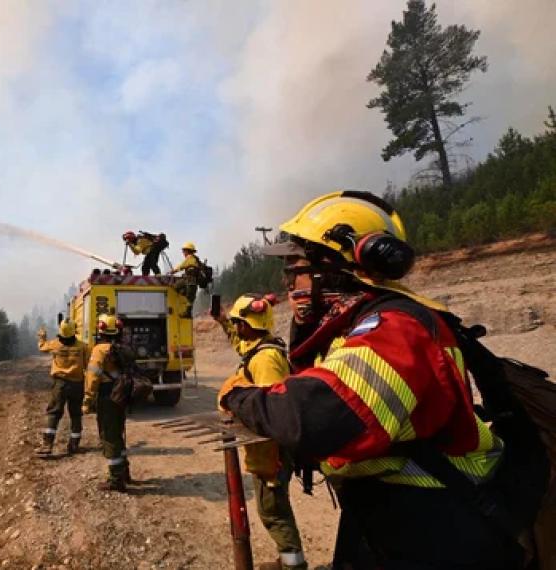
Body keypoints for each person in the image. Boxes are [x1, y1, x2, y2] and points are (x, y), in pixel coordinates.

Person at [218, 190, 532, 569]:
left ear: (335, 267)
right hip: (389, 511)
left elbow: (319, 414)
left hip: (438, 523)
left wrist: (239, 397)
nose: (288, 284)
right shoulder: (355, 328)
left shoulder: (396, 326)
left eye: (295, 270)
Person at [213, 294, 308, 570]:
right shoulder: (260, 347)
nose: (237, 328)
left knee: (272, 510)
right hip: (269, 448)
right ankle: (289, 559)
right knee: (274, 506)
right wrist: (221, 320)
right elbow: (240, 344)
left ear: (248, 325)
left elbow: (271, 408)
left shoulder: (265, 359)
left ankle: (293, 563)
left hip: (271, 451)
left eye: (238, 323)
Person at [82, 314, 135, 491]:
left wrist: (87, 400)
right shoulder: (121, 348)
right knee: (118, 433)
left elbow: (92, 376)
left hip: (107, 396)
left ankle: (116, 480)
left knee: (109, 436)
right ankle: (124, 472)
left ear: (101, 329)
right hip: (121, 394)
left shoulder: (100, 350)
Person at [36, 320, 89, 456]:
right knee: (76, 414)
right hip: (77, 384)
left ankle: (47, 445)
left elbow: (42, 347)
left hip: (60, 384)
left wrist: (42, 337)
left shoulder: (55, 344)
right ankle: (74, 445)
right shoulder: (83, 346)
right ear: (74, 331)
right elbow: (88, 365)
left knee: (54, 413)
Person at [170, 241, 200, 318]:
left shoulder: (190, 258)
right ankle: (188, 313)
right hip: (192, 281)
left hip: (189, 280)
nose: (183, 252)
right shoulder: (195, 259)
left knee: (176, 288)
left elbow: (181, 265)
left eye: (184, 251)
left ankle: (188, 313)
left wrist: (173, 271)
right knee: (189, 297)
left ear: (187, 251)